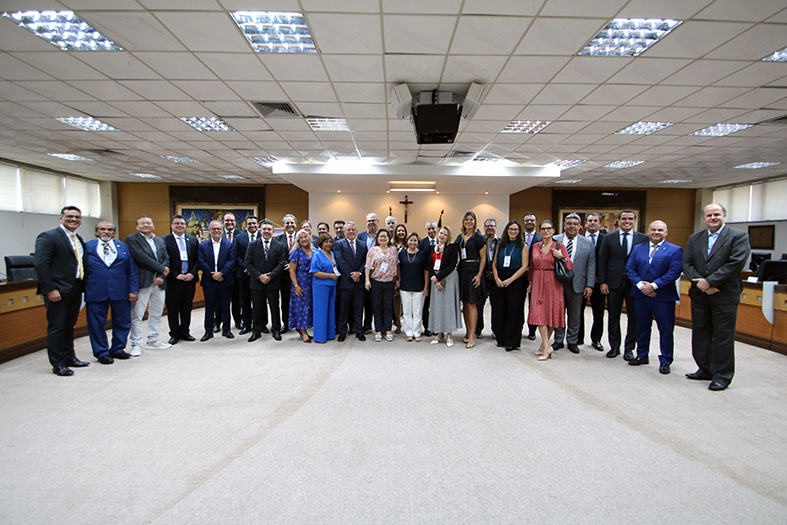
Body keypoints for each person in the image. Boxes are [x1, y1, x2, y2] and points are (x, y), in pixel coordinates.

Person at [683, 204, 750, 391]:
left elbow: (736, 263)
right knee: (701, 334)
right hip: (700, 295)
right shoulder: (695, 238)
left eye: (717, 214)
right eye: (709, 215)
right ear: (704, 218)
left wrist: (710, 282)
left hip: (724, 295)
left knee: (723, 336)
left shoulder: (738, 237)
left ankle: (722, 375)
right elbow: (687, 263)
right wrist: (701, 284)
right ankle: (705, 369)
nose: (713, 218)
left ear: (724, 215)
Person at [34, 205, 90, 376]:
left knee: (69, 325)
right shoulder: (48, 237)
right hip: (57, 290)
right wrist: (50, 289)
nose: (73, 220)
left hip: (75, 288)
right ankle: (58, 363)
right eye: (69, 217)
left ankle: (69, 357)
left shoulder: (77, 238)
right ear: (61, 218)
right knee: (57, 327)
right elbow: (41, 264)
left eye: (77, 217)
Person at [626, 220, 684, 375]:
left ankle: (665, 360)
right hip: (640, 296)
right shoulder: (638, 248)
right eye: (653, 230)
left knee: (665, 330)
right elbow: (630, 268)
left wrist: (653, 286)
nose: (656, 232)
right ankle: (642, 355)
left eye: (660, 230)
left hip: (663, 297)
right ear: (648, 232)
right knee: (642, 327)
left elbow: (673, 272)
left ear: (666, 232)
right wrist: (641, 285)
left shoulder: (675, 250)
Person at [84, 222, 138, 364]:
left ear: (114, 233)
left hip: (120, 290)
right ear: (96, 232)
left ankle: (118, 348)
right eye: (102, 229)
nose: (106, 232)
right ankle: (101, 352)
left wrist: (133, 290)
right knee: (96, 323)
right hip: (95, 291)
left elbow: (132, 270)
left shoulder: (123, 247)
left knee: (123, 321)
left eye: (110, 230)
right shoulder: (87, 247)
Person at [598, 209, 648, 360]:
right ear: (618, 221)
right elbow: (602, 261)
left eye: (630, 219)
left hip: (635, 284)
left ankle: (629, 348)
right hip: (613, 283)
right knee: (613, 316)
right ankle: (614, 347)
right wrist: (603, 281)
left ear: (635, 221)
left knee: (634, 317)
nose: (627, 221)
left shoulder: (643, 239)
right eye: (624, 219)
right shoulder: (608, 238)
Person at [126, 215, 171, 356]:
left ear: (153, 226)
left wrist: (160, 276)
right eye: (142, 223)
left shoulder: (159, 240)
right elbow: (141, 258)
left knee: (156, 313)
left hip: (159, 283)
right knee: (137, 315)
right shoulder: (132, 239)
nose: (146, 225)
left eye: (148, 223)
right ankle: (136, 344)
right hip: (143, 282)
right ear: (137, 226)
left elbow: (166, 259)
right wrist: (161, 269)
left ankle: (153, 339)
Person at [528, 220, 572, 361]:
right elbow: (532, 266)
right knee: (539, 313)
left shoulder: (559, 246)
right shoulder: (535, 246)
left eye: (549, 229)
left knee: (552, 314)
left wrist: (562, 257)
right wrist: (530, 282)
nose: (546, 231)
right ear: (540, 231)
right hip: (537, 281)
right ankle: (547, 346)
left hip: (553, 282)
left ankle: (545, 346)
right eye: (543, 229)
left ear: (553, 231)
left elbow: (570, 266)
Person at [552, 213, 595, 354]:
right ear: (564, 225)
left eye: (575, 224)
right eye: (569, 223)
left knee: (575, 315)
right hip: (557, 282)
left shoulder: (587, 242)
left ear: (580, 226)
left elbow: (591, 265)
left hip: (577, 283)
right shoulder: (555, 239)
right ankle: (558, 340)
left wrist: (589, 285)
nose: (572, 226)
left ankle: (572, 341)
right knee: (558, 313)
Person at [245, 219, 287, 342]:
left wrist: (270, 276)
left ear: (273, 232)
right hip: (257, 282)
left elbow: (281, 263)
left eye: (269, 229)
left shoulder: (279, 246)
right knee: (257, 308)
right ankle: (256, 331)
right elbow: (248, 263)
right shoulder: (253, 245)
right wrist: (260, 276)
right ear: (260, 231)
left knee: (275, 307)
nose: (267, 231)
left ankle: (276, 330)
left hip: (273, 282)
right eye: (264, 229)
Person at [491, 221, 528, 351]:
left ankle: (512, 341)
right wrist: (496, 277)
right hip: (500, 278)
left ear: (519, 231)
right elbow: (494, 263)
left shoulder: (523, 246)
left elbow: (525, 266)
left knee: (514, 310)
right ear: (506, 230)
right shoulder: (501, 245)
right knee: (499, 309)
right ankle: (501, 339)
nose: (513, 231)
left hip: (516, 279)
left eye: (516, 229)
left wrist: (510, 279)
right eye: (510, 229)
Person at [163, 214, 199, 345]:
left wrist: (192, 274)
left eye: (182, 224)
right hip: (173, 280)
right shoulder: (164, 241)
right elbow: (163, 261)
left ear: (186, 226)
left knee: (187, 307)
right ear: (172, 225)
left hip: (189, 280)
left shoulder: (193, 241)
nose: (180, 226)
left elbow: (197, 260)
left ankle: (185, 331)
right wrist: (175, 275)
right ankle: (174, 333)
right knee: (172, 308)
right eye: (177, 223)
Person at [197, 220, 236, 341]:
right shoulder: (203, 246)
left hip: (224, 279)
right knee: (209, 307)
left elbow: (231, 261)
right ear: (209, 231)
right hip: (209, 281)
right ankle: (208, 331)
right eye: (213, 229)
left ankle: (226, 330)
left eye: (219, 229)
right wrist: (211, 274)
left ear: (222, 230)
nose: (216, 231)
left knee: (225, 306)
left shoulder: (229, 245)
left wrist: (222, 273)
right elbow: (201, 261)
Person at [455, 211, 486, 348]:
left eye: (471, 219)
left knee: (472, 303)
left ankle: (473, 335)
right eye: (466, 219)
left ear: (474, 222)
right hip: (462, 271)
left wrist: (479, 275)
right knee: (465, 304)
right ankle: (467, 332)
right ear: (463, 222)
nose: (468, 222)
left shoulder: (479, 238)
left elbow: (484, 258)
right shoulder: (460, 238)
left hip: (473, 271)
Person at [427, 226, 462, 347]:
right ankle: (439, 333)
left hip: (449, 278)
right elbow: (429, 265)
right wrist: (434, 279)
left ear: (448, 237)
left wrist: (438, 277)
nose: (442, 236)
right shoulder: (432, 248)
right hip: (436, 280)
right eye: (441, 233)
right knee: (438, 306)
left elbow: (452, 264)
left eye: (445, 235)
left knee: (448, 306)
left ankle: (449, 334)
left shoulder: (452, 248)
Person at [334, 221, 368, 342]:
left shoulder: (363, 244)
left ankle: (359, 331)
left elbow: (365, 261)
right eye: (348, 230)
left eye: (353, 230)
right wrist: (351, 274)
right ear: (344, 231)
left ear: (357, 231)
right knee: (344, 309)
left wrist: (359, 273)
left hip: (359, 282)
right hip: (345, 282)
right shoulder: (339, 244)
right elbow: (340, 260)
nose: (351, 232)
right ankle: (343, 332)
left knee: (358, 309)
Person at [364, 229, 398, 342]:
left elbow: (397, 265)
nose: (383, 238)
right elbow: (368, 266)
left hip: (389, 282)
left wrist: (398, 279)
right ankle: (378, 330)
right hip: (376, 282)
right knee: (377, 306)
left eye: (385, 236)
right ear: (377, 239)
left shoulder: (393, 250)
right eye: (381, 236)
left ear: (389, 238)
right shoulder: (373, 250)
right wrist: (367, 280)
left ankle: (388, 330)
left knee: (388, 306)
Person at [581, 213, 606, 351]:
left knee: (598, 312)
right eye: (590, 221)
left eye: (595, 221)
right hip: (581, 281)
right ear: (585, 223)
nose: (592, 223)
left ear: (600, 224)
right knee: (578, 312)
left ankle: (596, 339)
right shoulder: (579, 239)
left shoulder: (606, 239)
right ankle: (578, 338)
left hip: (599, 283)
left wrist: (601, 279)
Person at [399, 232, 428, 341]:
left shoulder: (422, 254)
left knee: (417, 311)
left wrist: (426, 287)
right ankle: (409, 332)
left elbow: (426, 272)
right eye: (411, 240)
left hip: (419, 286)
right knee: (406, 311)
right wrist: (399, 280)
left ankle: (417, 332)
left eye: (415, 240)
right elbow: (399, 268)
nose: (413, 242)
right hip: (405, 286)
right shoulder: (402, 253)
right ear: (407, 241)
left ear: (418, 242)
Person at [233, 216, 259, 335]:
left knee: (259, 301)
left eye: (254, 223)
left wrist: (255, 271)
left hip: (259, 275)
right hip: (243, 275)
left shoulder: (263, 235)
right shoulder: (239, 238)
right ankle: (247, 324)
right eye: (250, 224)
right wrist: (246, 268)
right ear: (245, 225)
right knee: (245, 301)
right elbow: (236, 255)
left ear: (258, 224)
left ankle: (261, 324)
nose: (252, 226)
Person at [310, 234, 339, 343]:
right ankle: (320, 337)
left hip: (332, 285)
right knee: (321, 312)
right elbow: (314, 272)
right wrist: (330, 276)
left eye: (330, 242)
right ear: (321, 243)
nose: (328, 244)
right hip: (320, 286)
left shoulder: (331, 254)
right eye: (326, 242)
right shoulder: (317, 254)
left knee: (330, 311)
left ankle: (329, 334)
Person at [288, 229, 314, 343]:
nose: (304, 239)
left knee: (310, 307)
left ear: (309, 237)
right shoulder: (296, 252)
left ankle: (307, 329)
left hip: (313, 283)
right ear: (298, 240)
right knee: (301, 307)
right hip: (300, 283)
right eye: (301, 238)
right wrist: (296, 286)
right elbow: (292, 271)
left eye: (305, 237)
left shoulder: (316, 251)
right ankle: (302, 331)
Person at [274, 213, 298, 334]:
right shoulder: (278, 239)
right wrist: (287, 265)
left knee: (299, 300)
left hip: (299, 275)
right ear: (284, 225)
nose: (289, 225)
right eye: (287, 223)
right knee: (285, 301)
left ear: (295, 224)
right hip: (284, 275)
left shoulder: (300, 237)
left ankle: (299, 324)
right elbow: (277, 256)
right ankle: (286, 323)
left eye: (291, 222)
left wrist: (294, 266)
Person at [357, 212, 380, 332]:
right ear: (366, 222)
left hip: (377, 274)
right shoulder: (360, 236)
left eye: (373, 220)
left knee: (373, 301)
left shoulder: (382, 235)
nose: (371, 222)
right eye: (369, 220)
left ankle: (369, 324)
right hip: (363, 272)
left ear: (377, 222)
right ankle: (362, 324)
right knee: (363, 299)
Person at [220, 212, 241, 332]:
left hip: (236, 273)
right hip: (222, 274)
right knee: (221, 300)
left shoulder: (241, 235)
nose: (229, 223)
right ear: (223, 222)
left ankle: (238, 321)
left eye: (231, 221)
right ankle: (218, 322)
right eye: (227, 220)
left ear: (235, 222)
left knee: (237, 300)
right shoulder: (218, 234)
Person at [522, 213, 542, 340]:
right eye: (527, 220)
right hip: (520, 274)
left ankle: (532, 330)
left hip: (535, 276)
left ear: (536, 222)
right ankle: (518, 327)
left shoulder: (541, 237)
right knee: (518, 303)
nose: (529, 222)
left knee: (533, 304)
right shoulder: (518, 236)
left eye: (532, 220)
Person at [478, 218, 499, 338]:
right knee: (479, 304)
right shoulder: (480, 241)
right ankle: (478, 330)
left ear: (495, 227)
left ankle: (496, 330)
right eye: (487, 226)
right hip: (482, 276)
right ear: (484, 228)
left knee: (496, 305)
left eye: (492, 226)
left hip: (496, 277)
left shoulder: (501, 242)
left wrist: (494, 273)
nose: (490, 228)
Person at [419, 220, 438, 336]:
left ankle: (437, 327)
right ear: (426, 230)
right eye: (429, 229)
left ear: (437, 229)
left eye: (433, 228)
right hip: (425, 278)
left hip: (438, 277)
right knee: (425, 305)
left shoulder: (441, 242)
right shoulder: (422, 243)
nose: (431, 231)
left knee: (437, 304)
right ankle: (427, 327)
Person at [392, 223, 408, 333]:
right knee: (396, 301)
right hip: (394, 276)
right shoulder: (391, 245)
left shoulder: (409, 244)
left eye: (403, 230)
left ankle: (408, 324)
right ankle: (398, 323)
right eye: (399, 231)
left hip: (407, 275)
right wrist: (397, 278)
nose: (401, 232)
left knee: (407, 301)